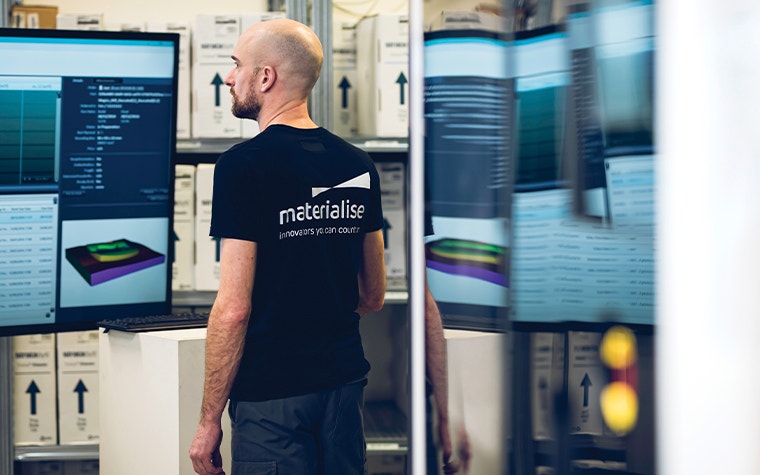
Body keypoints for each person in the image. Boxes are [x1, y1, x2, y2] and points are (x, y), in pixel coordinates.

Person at [188, 18, 386, 475]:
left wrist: (207, 421)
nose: (229, 76)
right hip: (344, 385)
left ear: (266, 76)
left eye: (237, 65)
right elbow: (373, 295)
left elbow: (234, 308)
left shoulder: (243, 166)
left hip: (271, 398)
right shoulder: (358, 164)